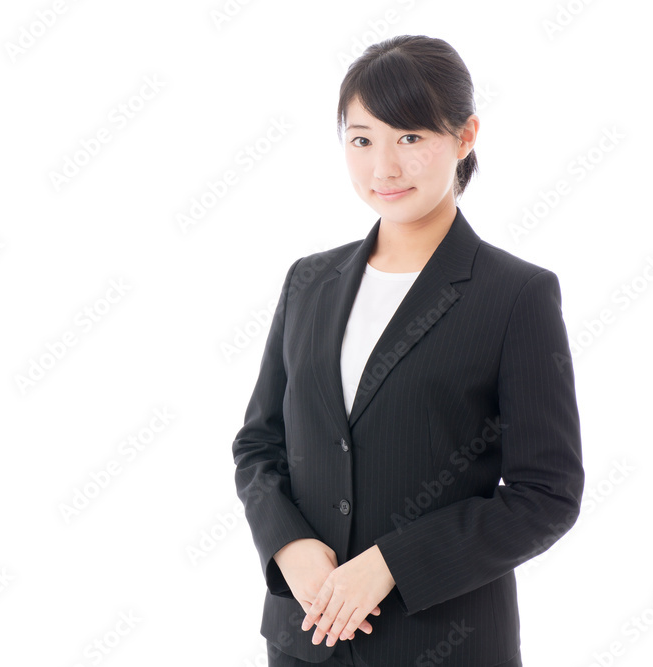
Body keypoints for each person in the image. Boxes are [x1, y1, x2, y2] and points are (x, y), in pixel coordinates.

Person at [231, 35, 583, 667]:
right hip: (303, 640)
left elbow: (546, 494)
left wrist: (393, 563)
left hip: (443, 643)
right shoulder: (308, 281)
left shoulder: (516, 294)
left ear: (465, 136)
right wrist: (287, 546)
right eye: (362, 139)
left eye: (411, 138)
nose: (383, 168)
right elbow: (259, 444)